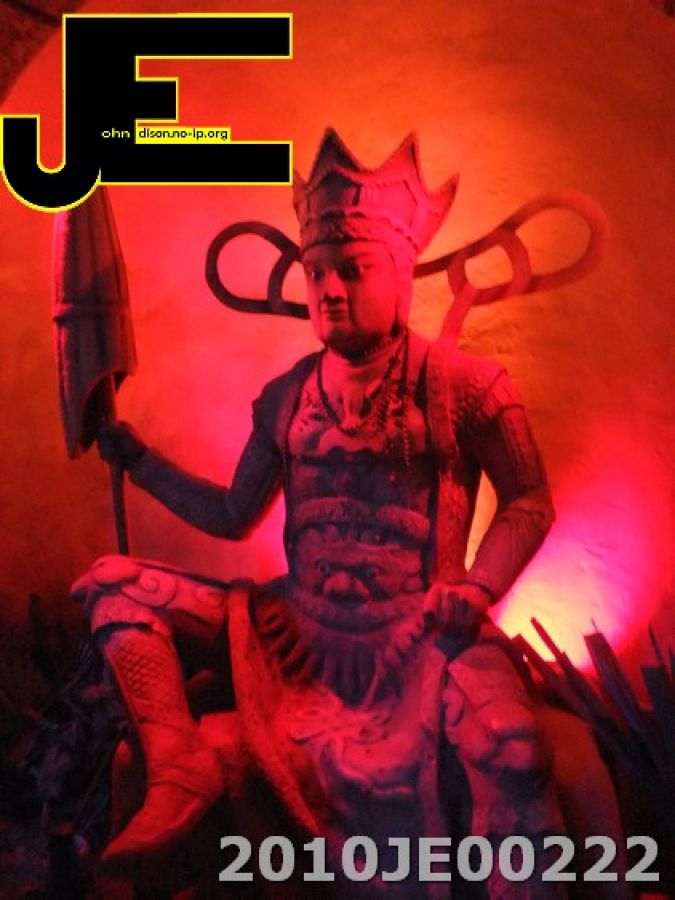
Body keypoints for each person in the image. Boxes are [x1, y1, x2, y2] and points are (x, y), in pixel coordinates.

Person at [73, 129, 605, 898]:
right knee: (114, 584)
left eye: (351, 269)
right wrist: (143, 464)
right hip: (297, 633)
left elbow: (527, 499)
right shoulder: (287, 396)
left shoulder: (466, 385)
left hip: (422, 632)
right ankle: (177, 763)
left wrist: (477, 587)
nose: (327, 288)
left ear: (399, 274)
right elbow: (232, 513)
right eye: (316, 270)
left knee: (512, 750)